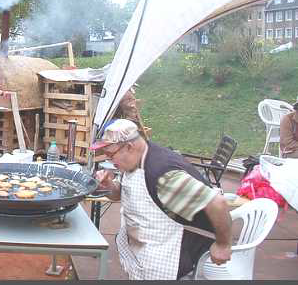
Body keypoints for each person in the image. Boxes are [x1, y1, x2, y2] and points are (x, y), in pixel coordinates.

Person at [91, 118, 232, 280]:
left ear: (129, 147)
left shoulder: (164, 175)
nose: (109, 161)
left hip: (174, 255)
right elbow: (119, 193)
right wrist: (109, 185)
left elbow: (218, 203)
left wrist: (223, 244)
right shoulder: (135, 160)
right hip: (145, 247)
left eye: (110, 155)